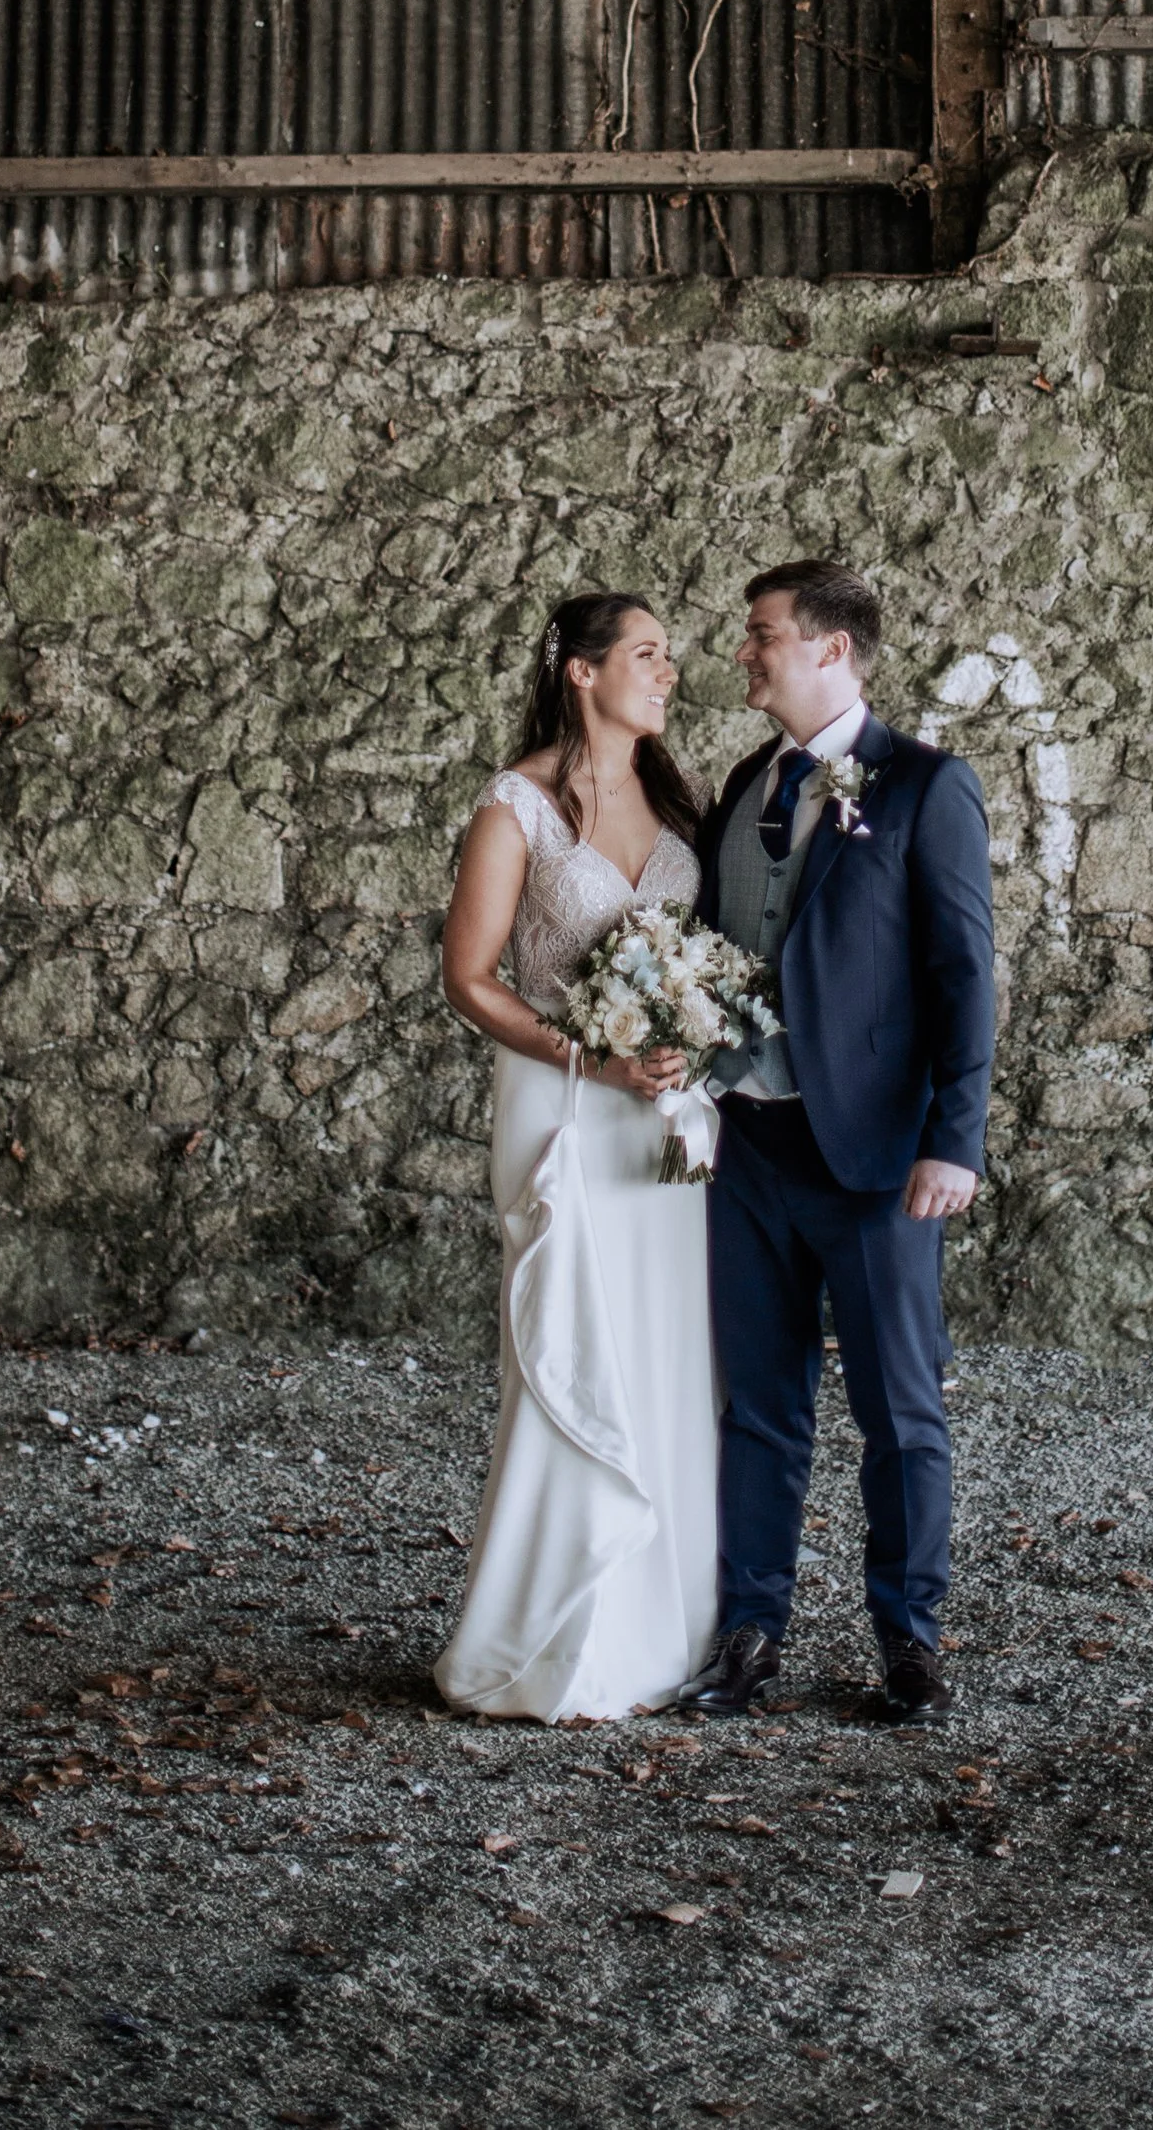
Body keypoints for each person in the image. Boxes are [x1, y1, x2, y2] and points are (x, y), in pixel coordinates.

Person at [683, 559, 996, 1730]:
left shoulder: (925, 786)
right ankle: (749, 1633)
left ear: (832, 650)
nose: (744, 653)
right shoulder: (744, 781)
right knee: (759, 1407)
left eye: (761, 634)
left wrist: (950, 1139)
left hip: (870, 1155)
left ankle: (907, 1643)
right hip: (748, 1146)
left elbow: (964, 976)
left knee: (899, 1411)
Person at [433, 592, 719, 1720]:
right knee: (575, 1346)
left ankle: (666, 1631)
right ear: (582, 672)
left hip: (666, 1114)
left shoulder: (678, 801)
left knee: (666, 1352)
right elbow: (469, 979)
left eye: (669, 656)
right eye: (647, 655)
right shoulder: (519, 804)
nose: (668, 672)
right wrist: (590, 1059)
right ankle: (555, 1637)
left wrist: (693, 1039)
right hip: (564, 1106)